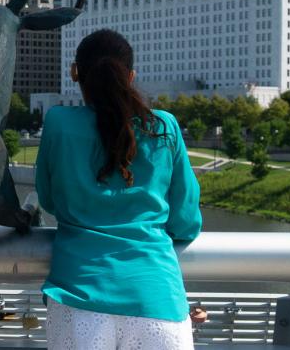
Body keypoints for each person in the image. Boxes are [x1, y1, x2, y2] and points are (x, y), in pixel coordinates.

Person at [36, 28, 202, 349]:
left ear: (75, 73)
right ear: (131, 76)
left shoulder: (58, 122)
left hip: (78, 294)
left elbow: (49, 199)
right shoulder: (163, 127)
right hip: (157, 298)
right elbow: (186, 221)